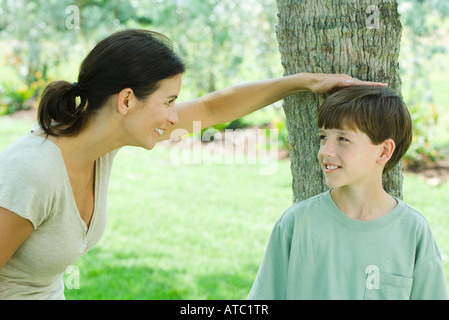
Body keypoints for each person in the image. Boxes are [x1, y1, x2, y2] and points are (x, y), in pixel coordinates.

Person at [0, 29, 386, 300]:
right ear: (126, 100)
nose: (173, 117)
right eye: (168, 102)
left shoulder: (99, 144)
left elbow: (210, 108)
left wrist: (305, 82)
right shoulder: (32, 172)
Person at [247, 85, 449, 300]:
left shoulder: (413, 231)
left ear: (384, 151)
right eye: (323, 137)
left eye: (343, 139)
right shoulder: (296, 224)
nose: (325, 151)